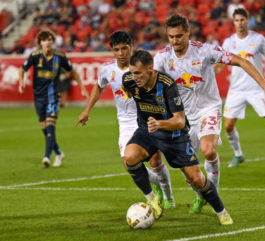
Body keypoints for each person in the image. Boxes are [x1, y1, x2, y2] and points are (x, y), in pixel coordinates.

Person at [154, 13, 265, 214]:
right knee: (185, 166)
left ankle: (212, 193)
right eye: (171, 36)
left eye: (179, 36)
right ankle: (201, 196)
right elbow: (154, 84)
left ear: (188, 33)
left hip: (208, 108)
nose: (175, 41)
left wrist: (264, 85)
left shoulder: (205, 51)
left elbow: (241, 61)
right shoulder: (162, 57)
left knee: (209, 151)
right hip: (182, 116)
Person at [122, 49, 233, 225]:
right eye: (131, 72)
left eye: (138, 73)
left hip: (173, 135)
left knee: (196, 178)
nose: (133, 77)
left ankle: (221, 211)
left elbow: (180, 121)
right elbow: (128, 90)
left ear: (150, 69)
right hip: (147, 131)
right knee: (129, 157)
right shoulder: (128, 80)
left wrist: (159, 124)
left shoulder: (167, 85)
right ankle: (152, 199)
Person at [75, 31, 175, 209]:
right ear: (111, 50)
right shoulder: (107, 69)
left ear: (132, 46)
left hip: (147, 118)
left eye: (124, 48)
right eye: (116, 49)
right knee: (129, 164)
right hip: (126, 122)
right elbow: (99, 87)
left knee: (155, 161)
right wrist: (86, 110)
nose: (121, 53)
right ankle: (154, 191)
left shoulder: (143, 66)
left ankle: (168, 197)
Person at [215, 8, 265, 168]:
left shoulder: (258, 39)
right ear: (233, 23)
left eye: (242, 20)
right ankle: (238, 155)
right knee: (228, 126)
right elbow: (220, 64)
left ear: (247, 21)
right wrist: (211, 71)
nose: (240, 23)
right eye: (237, 20)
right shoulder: (228, 42)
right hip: (236, 89)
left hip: (257, 88)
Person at [19, 30, 89, 167]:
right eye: (45, 40)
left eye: (50, 39)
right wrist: (21, 81)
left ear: (53, 42)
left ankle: (46, 157)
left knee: (51, 125)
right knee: (45, 128)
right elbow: (22, 68)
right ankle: (58, 153)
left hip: (53, 96)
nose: (48, 42)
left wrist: (82, 88)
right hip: (38, 97)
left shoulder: (60, 56)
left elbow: (73, 71)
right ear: (40, 43)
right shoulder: (34, 56)